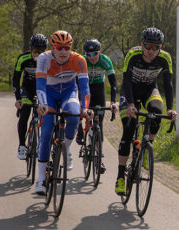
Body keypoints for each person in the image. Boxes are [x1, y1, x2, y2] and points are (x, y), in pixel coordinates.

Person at [115, 28, 177, 194]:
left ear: (160, 47)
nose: (150, 51)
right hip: (131, 92)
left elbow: (169, 85)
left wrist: (171, 109)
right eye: (147, 47)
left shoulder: (165, 58)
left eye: (155, 47)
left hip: (150, 89)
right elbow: (126, 81)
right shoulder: (132, 55)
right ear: (142, 45)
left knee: (157, 112)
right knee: (129, 129)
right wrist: (129, 104)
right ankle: (120, 177)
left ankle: (146, 147)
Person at [35, 30, 93, 195]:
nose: (63, 51)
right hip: (49, 95)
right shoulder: (43, 59)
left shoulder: (79, 60)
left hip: (69, 93)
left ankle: (65, 149)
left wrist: (86, 107)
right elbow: (40, 84)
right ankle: (40, 180)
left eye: (66, 48)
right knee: (46, 133)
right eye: (59, 48)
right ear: (52, 48)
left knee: (74, 117)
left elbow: (84, 87)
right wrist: (43, 104)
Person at [75, 38, 118, 173]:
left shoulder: (105, 61)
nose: (92, 57)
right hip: (84, 88)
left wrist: (112, 102)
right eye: (89, 54)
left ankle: (99, 159)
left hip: (98, 90)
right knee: (80, 110)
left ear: (100, 52)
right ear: (85, 54)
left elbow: (114, 84)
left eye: (95, 54)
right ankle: (79, 128)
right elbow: (76, 84)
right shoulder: (82, 61)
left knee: (99, 124)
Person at [13, 34, 48, 160]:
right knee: (25, 113)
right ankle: (22, 145)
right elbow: (16, 79)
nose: (37, 54)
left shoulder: (49, 59)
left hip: (43, 88)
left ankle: (42, 144)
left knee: (46, 115)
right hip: (27, 88)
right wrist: (18, 99)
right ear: (30, 48)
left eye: (41, 51)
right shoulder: (23, 58)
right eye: (35, 50)